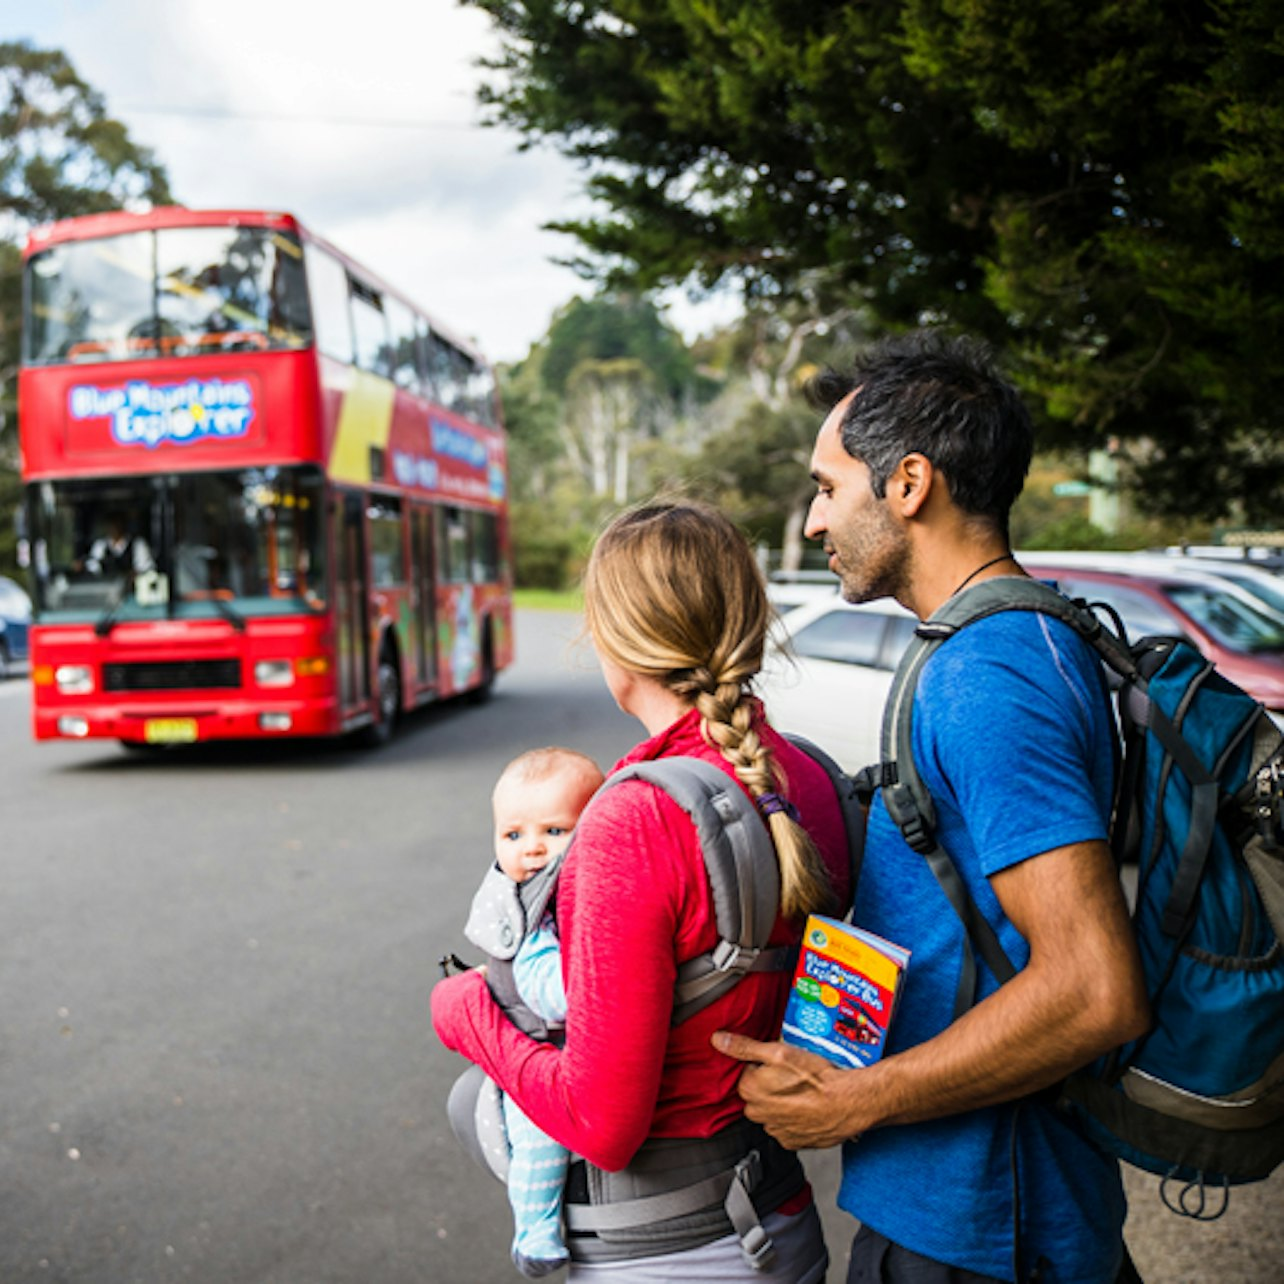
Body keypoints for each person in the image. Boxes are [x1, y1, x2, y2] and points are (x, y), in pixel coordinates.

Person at [713, 331, 1151, 1284]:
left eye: (829, 487)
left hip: (983, 1225)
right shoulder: (1010, 641)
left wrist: (856, 1102)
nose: (818, 521)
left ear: (909, 484)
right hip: (976, 1208)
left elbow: (1092, 987)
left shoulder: (988, 675)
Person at [433, 500, 854, 1281]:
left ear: (616, 640)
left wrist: (468, 1020)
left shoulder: (634, 818)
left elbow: (602, 1124)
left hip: (668, 1251)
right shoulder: (811, 779)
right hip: (782, 1217)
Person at [476, 746, 606, 1277]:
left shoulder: (567, 890)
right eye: (514, 835)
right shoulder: (531, 907)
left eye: (555, 832)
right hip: (532, 1056)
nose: (532, 849)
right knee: (540, 1141)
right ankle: (534, 1234)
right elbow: (550, 993)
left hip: (554, 1048)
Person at [81, 512, 153, 577]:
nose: (114, 527)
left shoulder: (138, 544)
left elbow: (146, 569)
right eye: (110, 524)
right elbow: (93, 568)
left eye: (117, 523)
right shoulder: (100, 545)